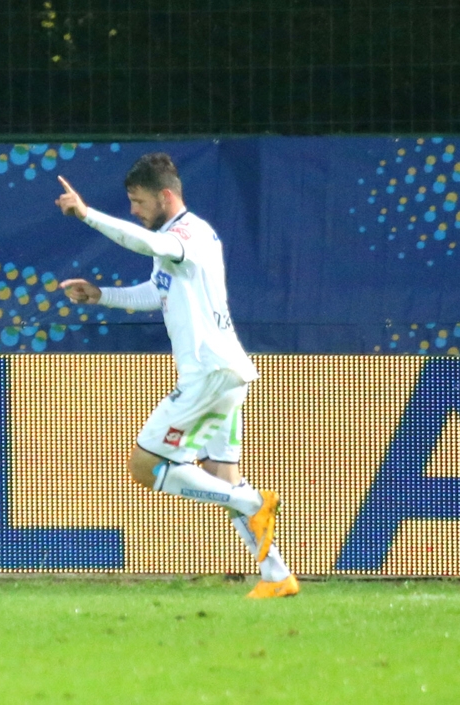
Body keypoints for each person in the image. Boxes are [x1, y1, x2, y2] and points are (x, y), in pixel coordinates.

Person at [55, 153, 298, 599]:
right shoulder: (178, 239)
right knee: (221, 475)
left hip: (207, 374)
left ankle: (254, 504)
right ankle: (276, 575)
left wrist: (88, 215)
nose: (134, 211)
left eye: (139, 201)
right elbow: (159, 291)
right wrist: (102, 295)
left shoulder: (184, 234)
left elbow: (146, 246)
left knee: (147, 466)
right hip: (226, 373)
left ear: (166, 196)